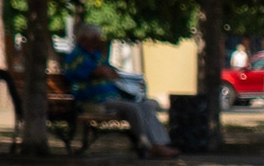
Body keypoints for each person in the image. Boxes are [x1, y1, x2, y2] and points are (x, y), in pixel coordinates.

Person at [58, 24, 178, 158]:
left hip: (111, 98)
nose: (98, 42)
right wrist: (98, 72)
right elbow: (82, 73)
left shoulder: (96, 55)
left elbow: (111, 72)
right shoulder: (76, 56)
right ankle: (148, 145)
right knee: (133, 108)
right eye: (95, 39)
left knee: (145, 105)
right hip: (92, 101)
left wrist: (104, 72)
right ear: (84, 39)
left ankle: (160, 144)